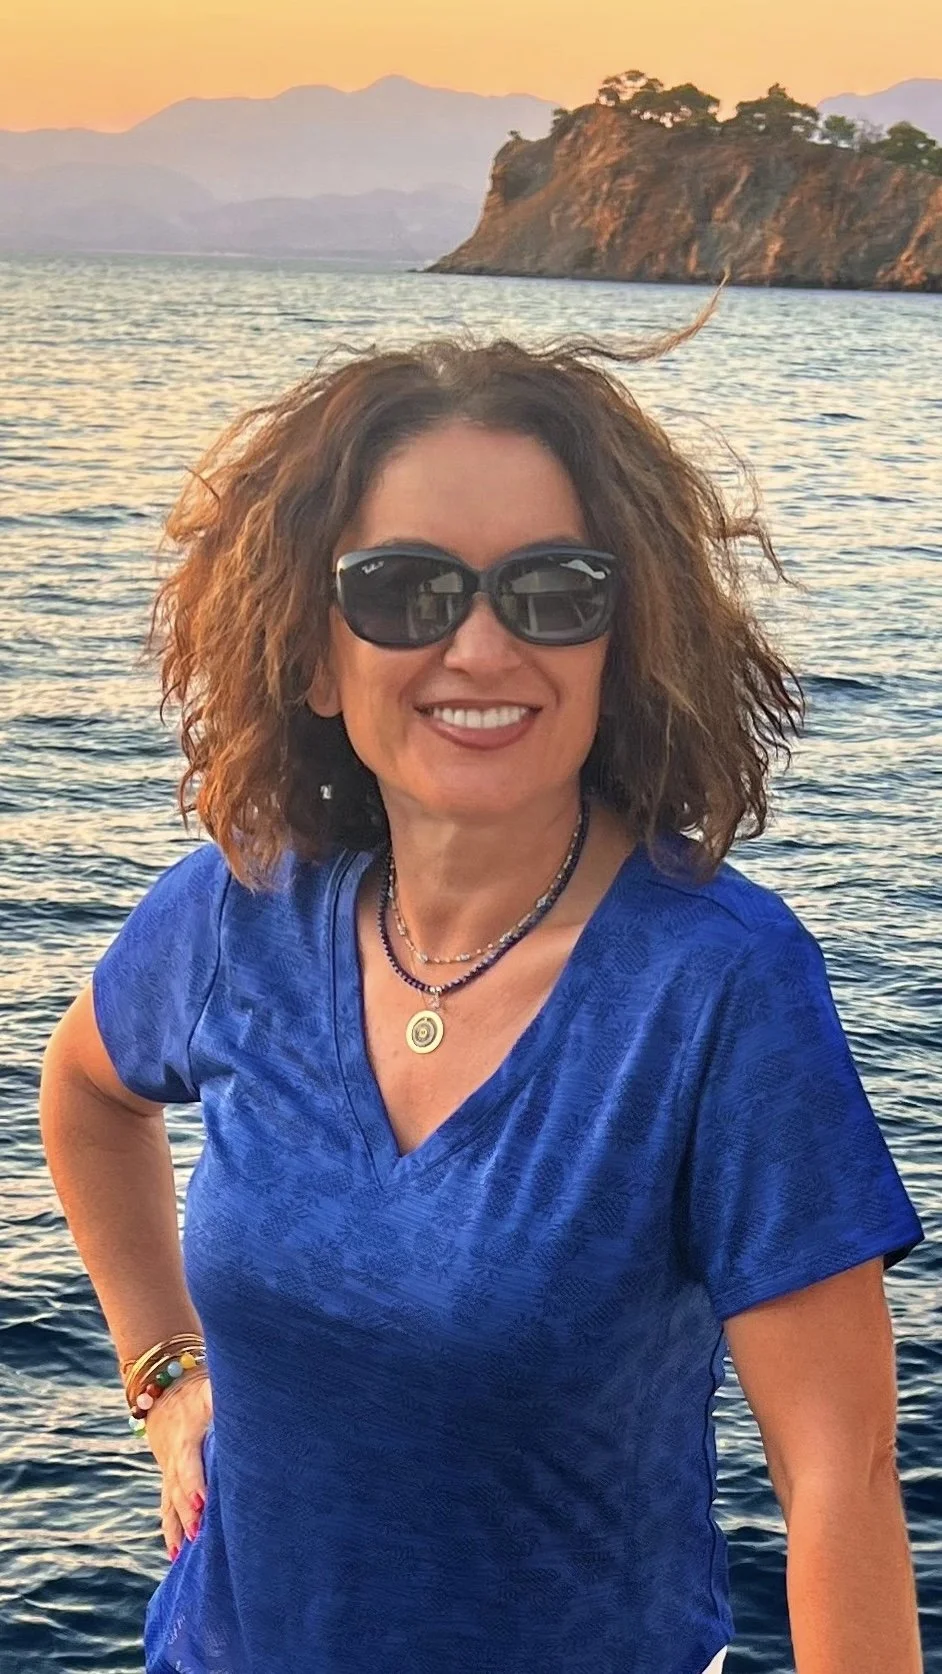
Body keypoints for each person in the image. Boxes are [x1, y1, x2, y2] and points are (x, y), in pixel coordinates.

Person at [39, 306, 926, 1674]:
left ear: (621, 637)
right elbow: (89, 1093)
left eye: (551, 589)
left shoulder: (716, 986)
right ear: (316, 651)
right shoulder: (236, 911)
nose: (481, 647)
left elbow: (838, 1475)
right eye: (406, 589)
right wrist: (163, 1371)